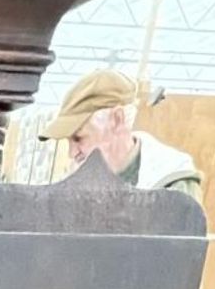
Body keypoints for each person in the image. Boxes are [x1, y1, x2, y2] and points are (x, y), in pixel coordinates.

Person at [39, 68, 202, 199]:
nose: (72, 153)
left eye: (78, 138)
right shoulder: (81, 182)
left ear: (117, 120)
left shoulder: (170, 183)